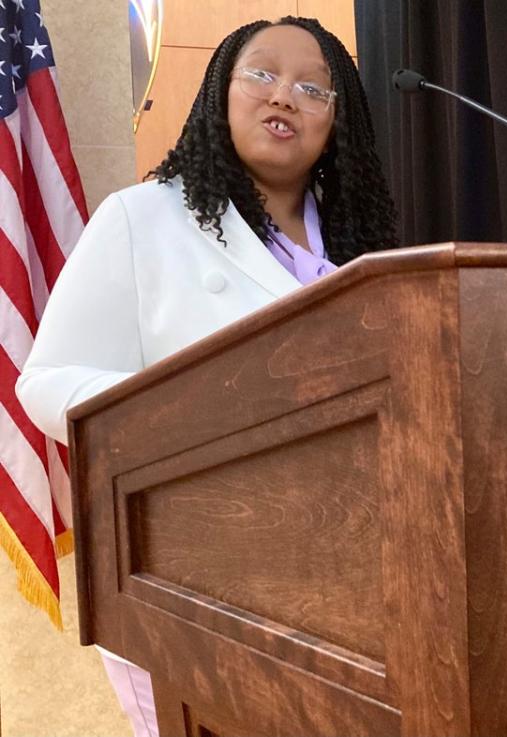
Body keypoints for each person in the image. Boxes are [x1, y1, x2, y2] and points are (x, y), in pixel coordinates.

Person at [15, 17, 397, 737]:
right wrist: (186, 420)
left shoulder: (362, 253)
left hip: (341, 583)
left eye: (314, 88)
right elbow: (46, 378)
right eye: (261, 74)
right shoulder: (143, 220)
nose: (284, 96)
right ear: (221, 89)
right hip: (186, 573)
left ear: (336, 122)